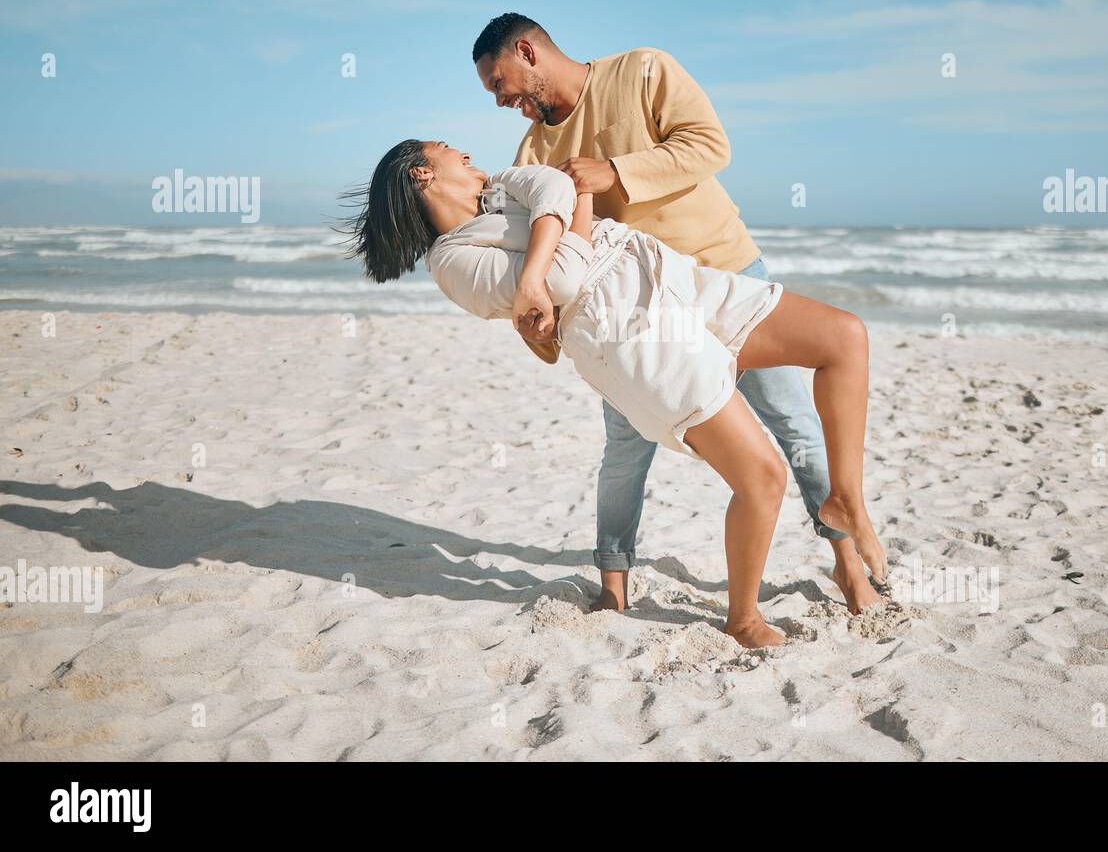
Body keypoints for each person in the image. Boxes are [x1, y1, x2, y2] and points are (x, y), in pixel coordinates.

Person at [342, 140, 886, 648]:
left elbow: (553, 189)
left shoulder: (501, 187)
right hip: (624, 331)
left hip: (664, 273)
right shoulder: (455, 262)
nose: (465, 152)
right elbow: (564, 280)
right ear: (423, 172)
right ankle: (743, 618)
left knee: (843, 336)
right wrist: (557, 244)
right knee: (762, 477)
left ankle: (846, 499)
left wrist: (541, 257)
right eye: (448, 149)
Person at [472, 13, 879, 613]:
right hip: (639, 318)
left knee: (795, 424)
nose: (501, 99)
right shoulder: (534, 150)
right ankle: (614, 584)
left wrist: (612, 172)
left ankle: (849, 567)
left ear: (527, 51)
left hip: (727, 275)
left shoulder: (642, 70)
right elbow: (554, 248)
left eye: (498, 82)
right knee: (625, 449)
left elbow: (710, 145)